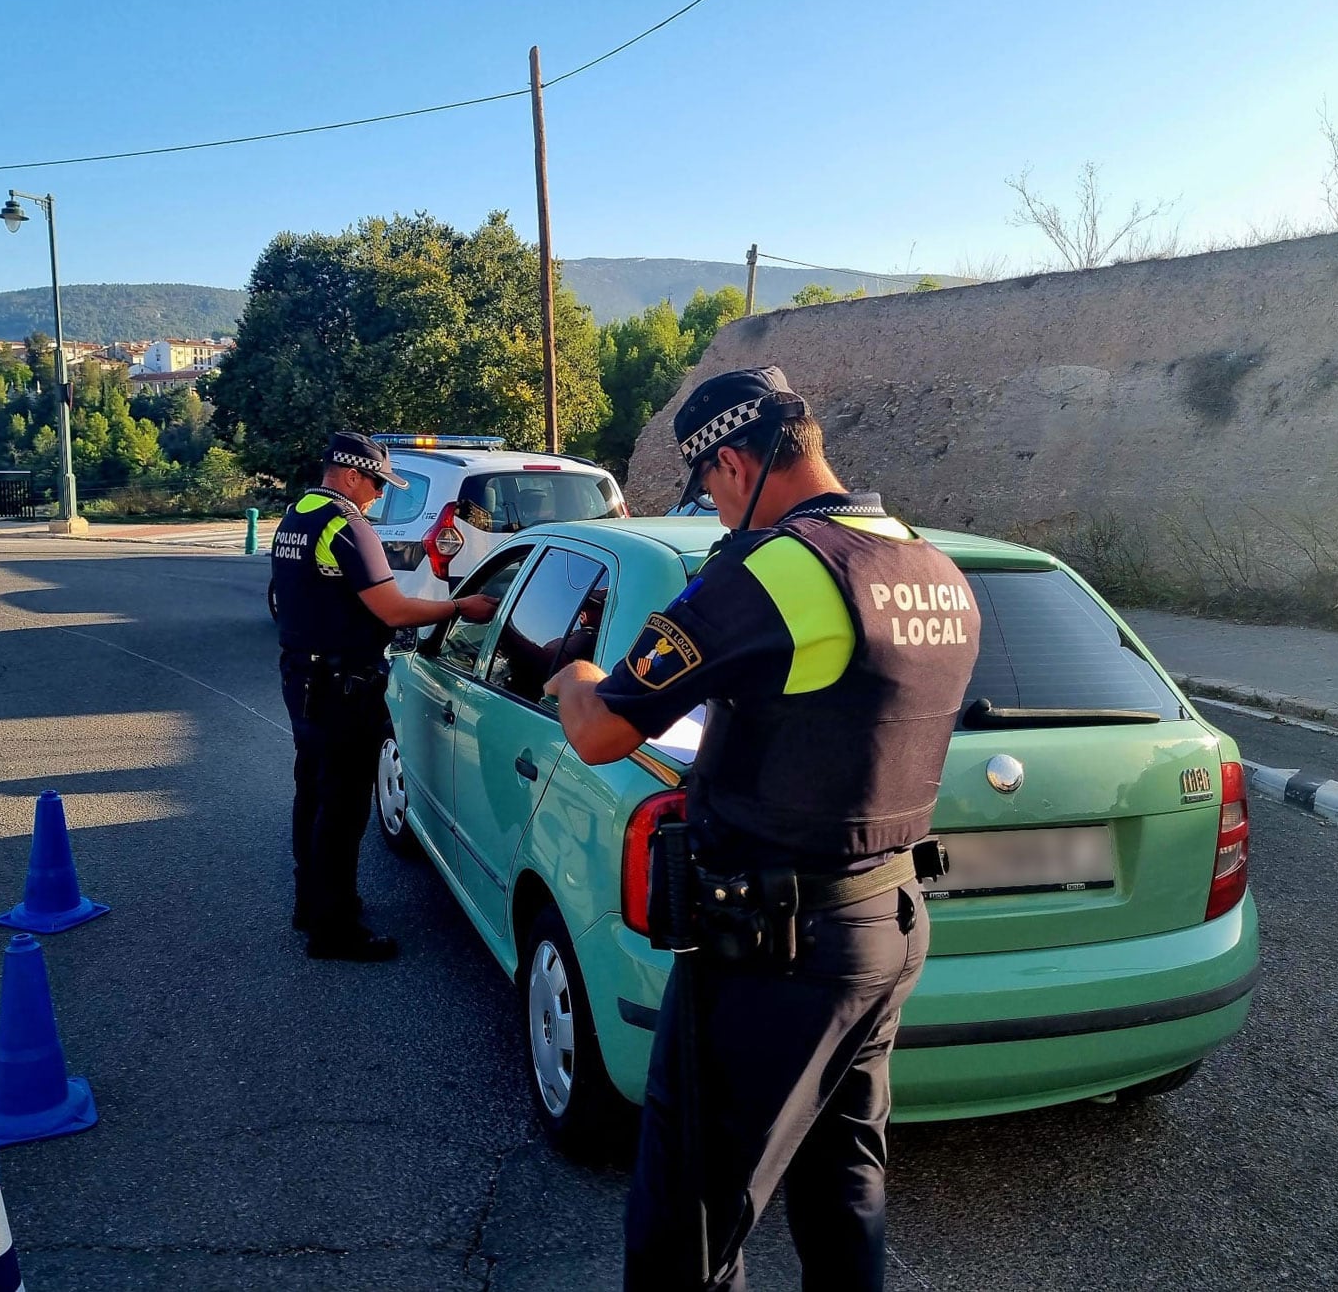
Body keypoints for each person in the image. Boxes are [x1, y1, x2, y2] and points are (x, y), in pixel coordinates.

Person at [543, 367, 981, 1290]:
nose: (711, 508)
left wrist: (576, 674)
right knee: (842, 1193)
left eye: (708, 488)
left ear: (735, 464)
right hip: (886, 921)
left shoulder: (777, 566)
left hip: (775, 951)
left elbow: (604, 730)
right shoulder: (927, 565)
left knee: (686, 1231)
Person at [271, 431, 497, 961]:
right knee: (344, 806)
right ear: (350, 476)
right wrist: (460, 607)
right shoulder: (345, 524)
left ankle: (312, 903)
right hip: (342, 686)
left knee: (313, 792)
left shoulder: (295, 517)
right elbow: (393, 611)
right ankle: (335, 929)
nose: (377, 493)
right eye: (374, 482)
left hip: (302, 679)